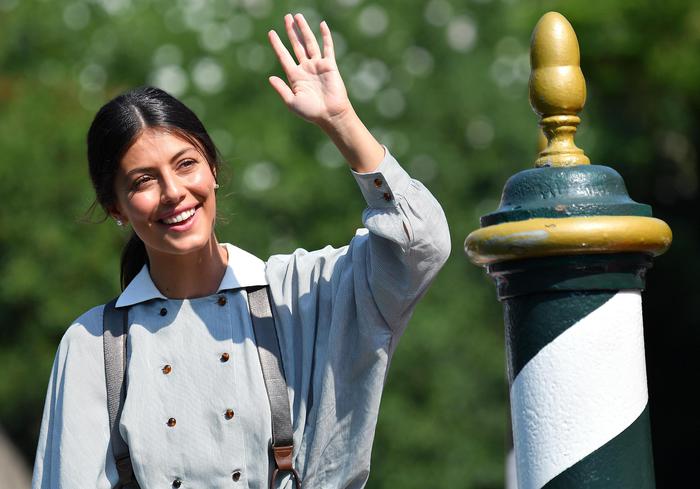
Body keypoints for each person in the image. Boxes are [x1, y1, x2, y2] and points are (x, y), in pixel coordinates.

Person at [32, 13, 450, 489]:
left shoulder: (302, 295)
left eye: (186, 164)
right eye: (144, 181)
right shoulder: (92, 346)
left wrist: (340, 121)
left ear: (213, 169)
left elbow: (421, 246)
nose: (173, 192)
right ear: (117, 208)